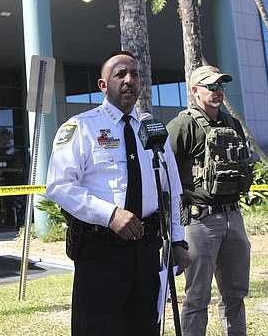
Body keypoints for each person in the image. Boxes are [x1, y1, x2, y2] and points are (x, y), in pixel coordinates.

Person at [46, 51, 192, 336]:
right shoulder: (81, 127)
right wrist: (110, 215)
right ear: (103, 85)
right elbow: (59, 185)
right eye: (120, 74)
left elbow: (171, 190)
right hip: (101, 251)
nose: (129, 80)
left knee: (145, 328)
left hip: (147, 251)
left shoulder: (152, 130)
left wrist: (178, 240)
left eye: (135, 74)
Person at [166, 65, 253, 336]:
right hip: (200, 221)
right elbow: (163, 172)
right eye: (211, 86)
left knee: (235, 295)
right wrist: (174, 224)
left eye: (221, 85)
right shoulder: (183, 125)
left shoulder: (232, 123)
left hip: (233, 217)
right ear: (194, 91)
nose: (218, 91)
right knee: (197, 297)